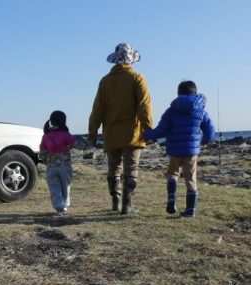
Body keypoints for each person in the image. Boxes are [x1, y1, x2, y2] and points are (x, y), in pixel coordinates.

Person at [88, 42, 153, 214]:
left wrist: (92, 133)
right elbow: (144, 106)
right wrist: (149, 129)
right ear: (131, 60)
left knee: (114, 168)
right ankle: (127, 204)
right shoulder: (137, 78)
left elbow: (97, 109)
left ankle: (116, 202)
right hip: (132, 133)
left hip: (111, 133)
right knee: (131, 169)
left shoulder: (105, 81)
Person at [143, 80, 216, 218]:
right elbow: (210, 129)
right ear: (195, 92)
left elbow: (161, 130)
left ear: (178, 93)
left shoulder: (171, 110)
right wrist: (204, 141)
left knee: (172, 174)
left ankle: (171, 199)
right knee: (190, 179)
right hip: (191, 151)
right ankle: (190, 210)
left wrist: (146, 135)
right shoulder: (201, 111)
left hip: (174, 149)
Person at [39, 110, 76, 215]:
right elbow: (74, 142)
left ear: (51, 121)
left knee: (54, 187)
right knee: (65, 186)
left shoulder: (45, 136)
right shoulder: (65, 134)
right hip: (65, 166)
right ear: (64, 121)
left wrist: (45, 159)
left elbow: (42, 152)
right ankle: (65, 204)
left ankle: (59, 206)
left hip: (51, 166)